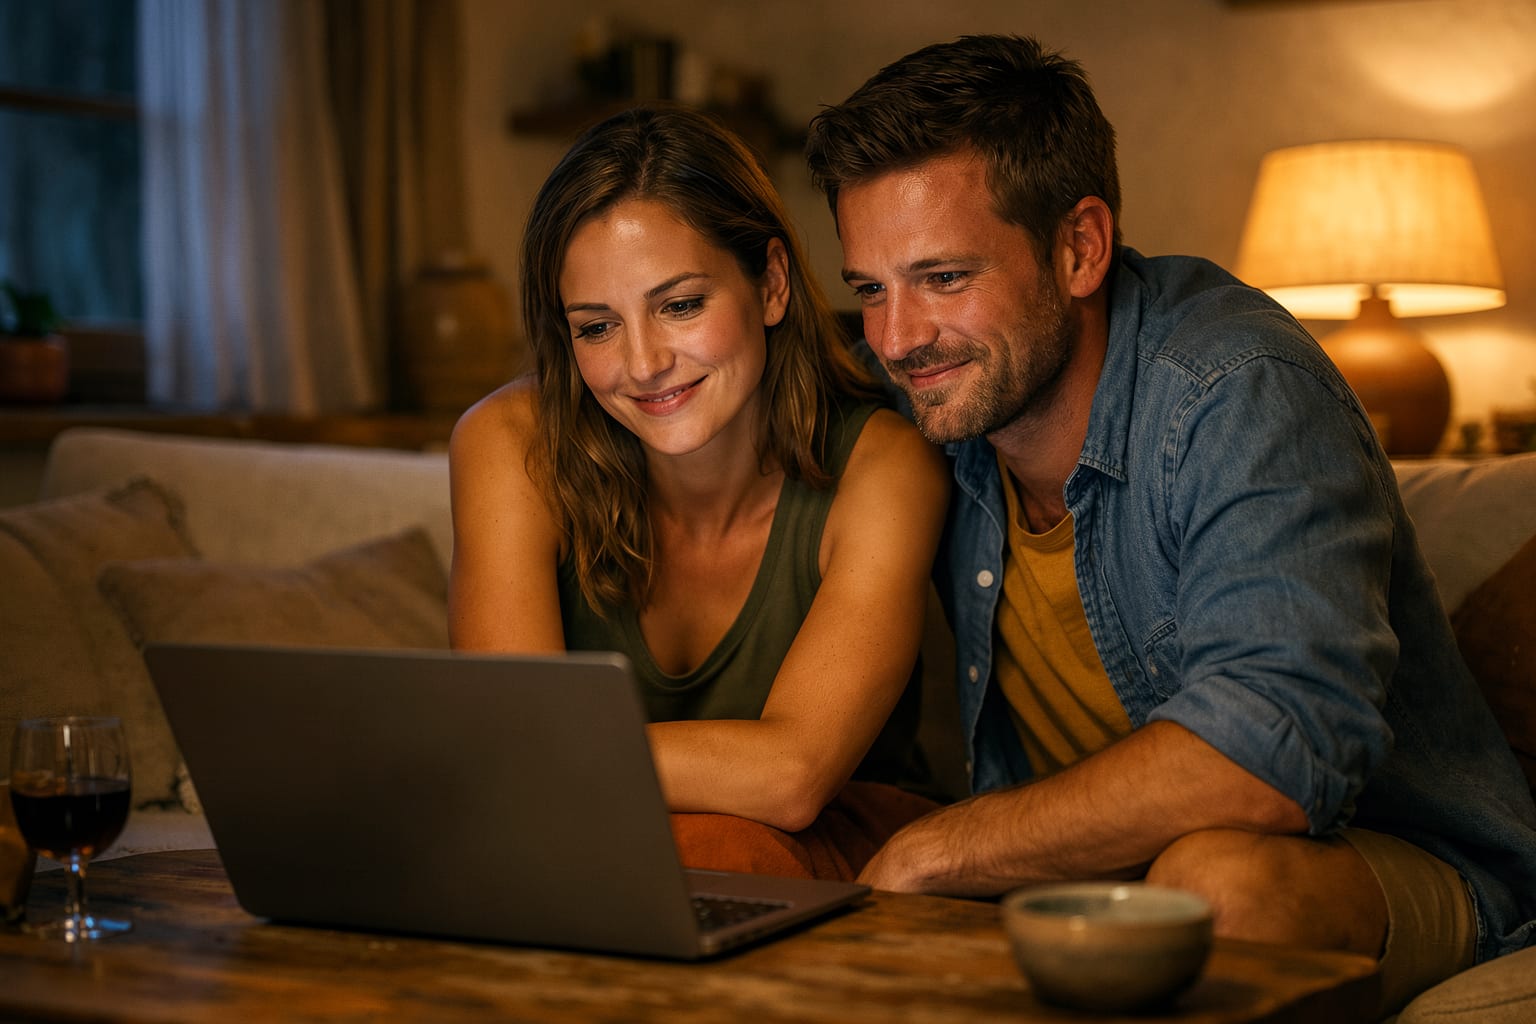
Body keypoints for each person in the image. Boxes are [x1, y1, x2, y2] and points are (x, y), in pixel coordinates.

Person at [803, 33, 1536, 1013]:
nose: (896, 339)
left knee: (1215, 885)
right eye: (870, 288)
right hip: (1091, 877)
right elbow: (718, 398)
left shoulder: (1239, 391)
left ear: (1079, 248)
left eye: (944, 279)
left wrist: (945, 848)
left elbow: (1275, 751)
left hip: (1388, 859)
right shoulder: (939, 402)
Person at [449, 106, 948, 881]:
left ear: (772, 284)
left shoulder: (887, 465)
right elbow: (512, 763)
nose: (643, 363)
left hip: (851, 856)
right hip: (596, 853)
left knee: (712, 850)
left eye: (680, 305)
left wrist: (543, 749)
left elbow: (793, 776)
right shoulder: (509, 445)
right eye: (596, 327)